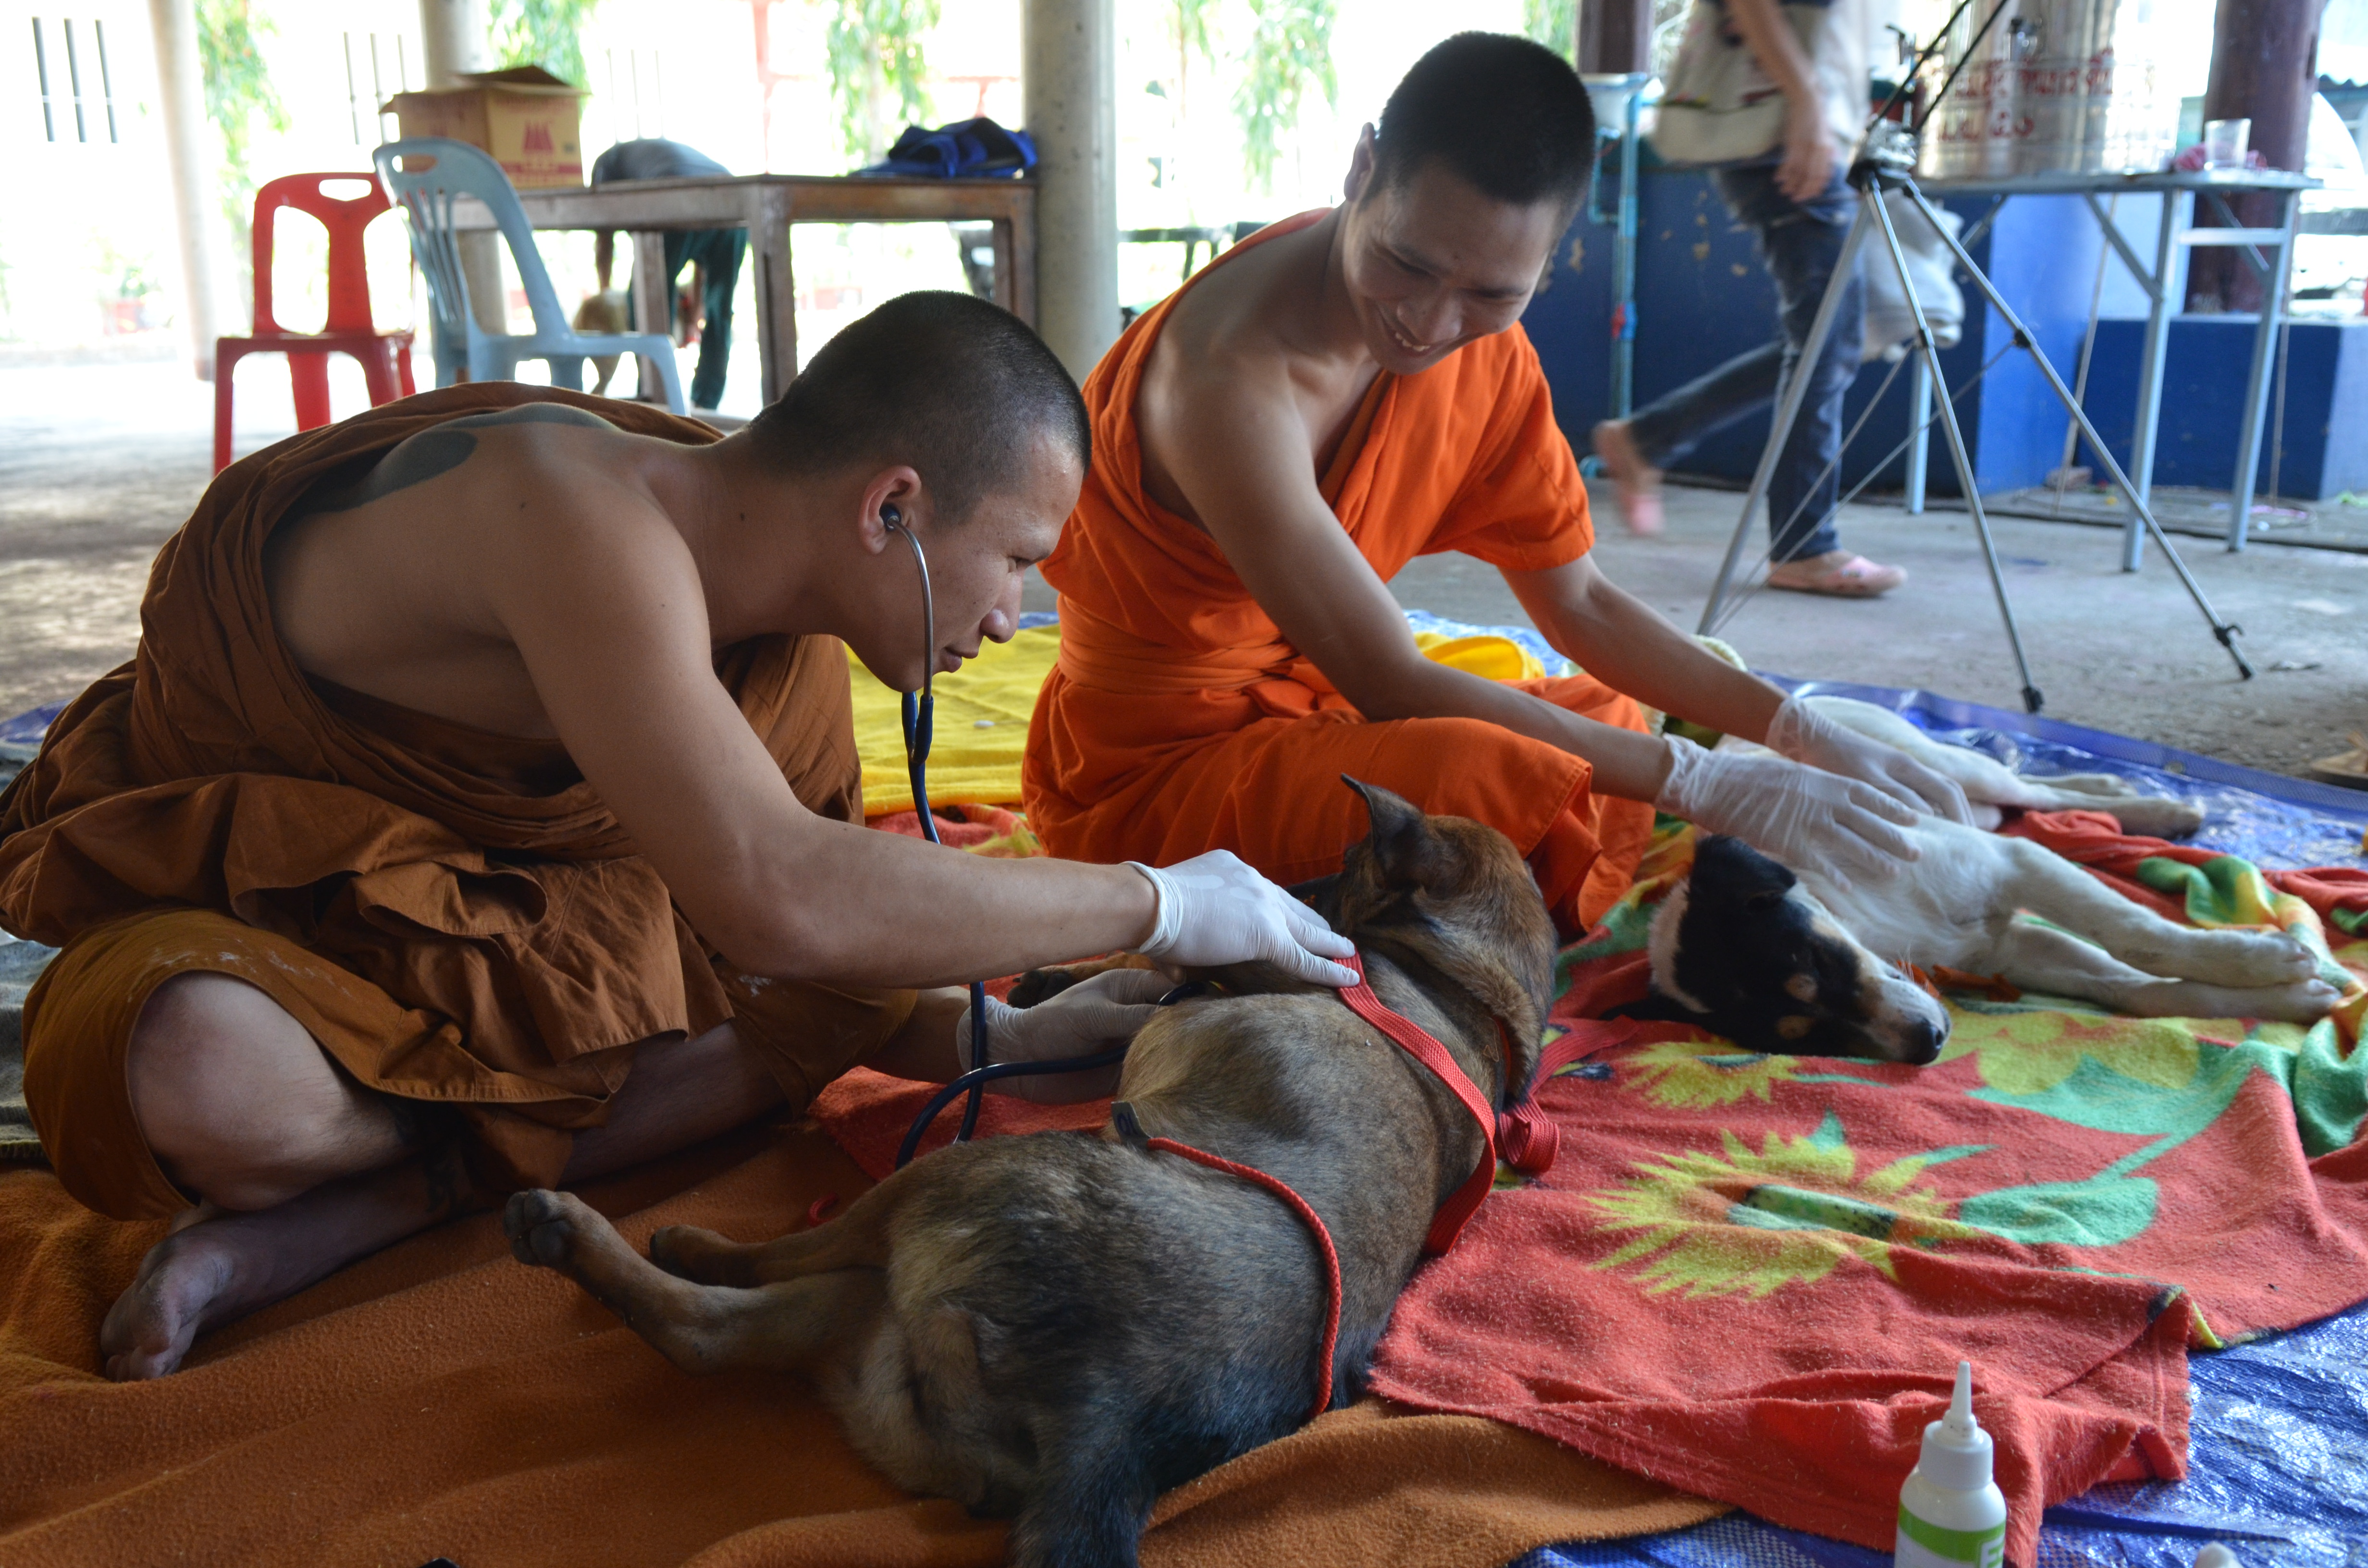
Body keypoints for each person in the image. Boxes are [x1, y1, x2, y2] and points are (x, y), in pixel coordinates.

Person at [0, 292, 1356, 1381]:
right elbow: (776, 901)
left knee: (791, 1020)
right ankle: (409, 1176)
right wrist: (1161, 904)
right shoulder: (567, 507)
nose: (1012, 623)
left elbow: (824, 985)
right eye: (1015, 562)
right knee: (202, 1070)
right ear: (891, 508)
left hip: (516, 942)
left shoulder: (791, 647)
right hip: (274, 900)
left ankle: (362, 1205)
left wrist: (1016, 1031)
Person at [1020, 33, 1968, 939]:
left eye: (1490, 294)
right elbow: (1390, 678)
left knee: (1600, 718)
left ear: (1549, 264)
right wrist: (1707, 781)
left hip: (1319, 717)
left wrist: (1790, 728)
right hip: (1157, 768)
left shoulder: (1486, 352)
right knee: (1486, 778)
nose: (1430, 325)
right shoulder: (1226, 381)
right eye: (1406, 263)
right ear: (1360, 170)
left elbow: (1583, 602)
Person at [1589, 0, 1907, 598]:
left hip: (1793, 130)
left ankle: (1647, 439)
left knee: (1825, 339)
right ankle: (1802, 544)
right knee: (1826, 341)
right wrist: (1809, 103)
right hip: (1781, 133)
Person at [590, 138, 746, 411]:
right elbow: (703, 265)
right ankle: (705, 407)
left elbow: (605, 240)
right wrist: (697, 310)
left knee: (644, 301)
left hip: (675, 195)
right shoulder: (642, 158)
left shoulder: (604, 167)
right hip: (732, 197)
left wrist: (605, 290)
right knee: (719, 311)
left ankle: (656, 401)